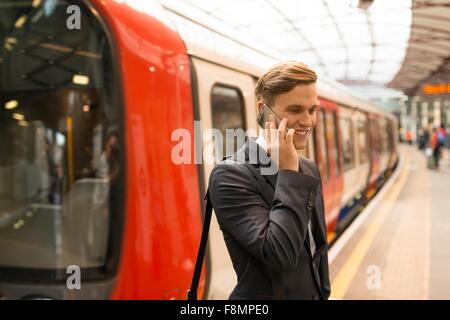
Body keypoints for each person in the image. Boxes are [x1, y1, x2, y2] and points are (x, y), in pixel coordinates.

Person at [208, 61, 330, 300]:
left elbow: (318, 247)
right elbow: (280, 254)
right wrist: (289, 174)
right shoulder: (230, 176)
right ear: (263, 109)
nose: (307, 121)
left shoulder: (309, 168)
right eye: (295, 110)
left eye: (312, 110)